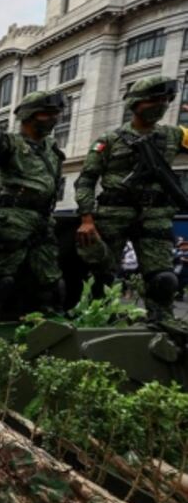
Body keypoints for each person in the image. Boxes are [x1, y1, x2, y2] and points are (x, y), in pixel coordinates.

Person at [75, 76, 188, 322]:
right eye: (153, 100)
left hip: (156, 216)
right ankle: (95, 324)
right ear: (136, 103)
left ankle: (162, 328)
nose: (161, 104)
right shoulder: (109, 139)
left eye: (165, 99)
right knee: (101, 278)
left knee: (163, 279)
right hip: (114, 214)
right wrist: (86, 218)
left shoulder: (174, 135)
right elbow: (86, 180)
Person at [0, 89, 67, 336]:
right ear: (30, 115)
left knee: (53, 284)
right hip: (14, 220)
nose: (53, 118)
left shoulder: (51, 150)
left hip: (43, 221)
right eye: (47, 113)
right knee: (1, 282)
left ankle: (51, 333)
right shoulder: (13, 144)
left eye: (56, 113)